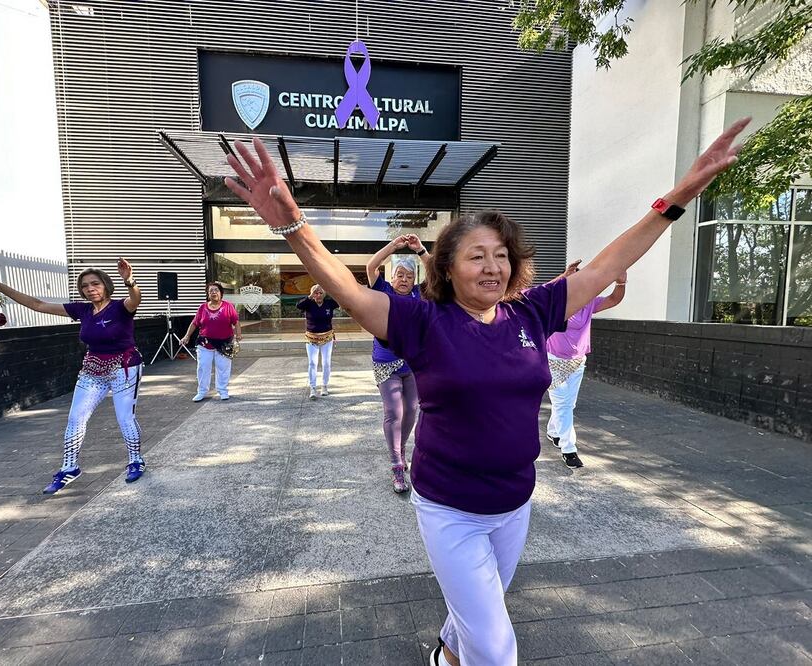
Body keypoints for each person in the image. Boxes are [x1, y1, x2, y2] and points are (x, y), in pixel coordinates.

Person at [222, 118, 748, 665]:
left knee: (478, 611)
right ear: (446, 268)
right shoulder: (423, 322)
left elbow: (607, 264)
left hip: (514, 502)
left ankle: (445, 654)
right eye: (477, 255)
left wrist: (677, 197)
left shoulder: (532, 310)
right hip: (449, 506)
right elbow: (349, 291)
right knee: (496, 649)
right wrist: (294, 226)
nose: (493, 265)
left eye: (501, 254)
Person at [0, 259, 148, 494]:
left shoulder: (120, 308)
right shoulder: (81, 310)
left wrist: (129, 280)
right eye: (85, 286)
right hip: (92, 369)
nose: (90, 289)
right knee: (75, 418)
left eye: (95, 284)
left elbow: (135, 299)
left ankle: (135, 460)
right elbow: (38, 305)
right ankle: (69, 467)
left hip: (125, 368)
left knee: (125, 417)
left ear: (106, 286)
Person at [545, 261, 627, 468]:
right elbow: (538, 295)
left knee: (567, 404)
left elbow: (614, 300)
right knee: (563, 403)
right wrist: (562, 276)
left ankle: (554, 431)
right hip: (553, 361)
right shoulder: (556, 303)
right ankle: (569, 449)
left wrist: (621, 283)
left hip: (577, 361)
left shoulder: (589, 303)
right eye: (572, 282)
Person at [366, 234, 431, 493]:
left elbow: (439, 274)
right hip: (386, 362)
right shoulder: (383, 291)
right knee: (394, 412)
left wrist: (420, 251)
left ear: (413, 280)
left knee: (413, 410)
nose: (403, 280)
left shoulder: (419, 293)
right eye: (399, 275)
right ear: (392, 277)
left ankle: (400, 449)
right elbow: (371, 267)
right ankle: (396, 465)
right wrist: (393, 247)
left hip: (413, 363)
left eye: (408, 276)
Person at [180, 282, 242, 402]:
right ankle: (202, 391)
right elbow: (194, 323)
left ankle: (222, 390)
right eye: (211, 291)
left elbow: (236, 321)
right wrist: (187, 336)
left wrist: (238, 334)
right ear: (208, 294)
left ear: (221, 293)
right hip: (205, 343)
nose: (214, 292)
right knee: (203, 367)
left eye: (216, 290)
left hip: (225, 343)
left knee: (223, 367)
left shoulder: (228, 306)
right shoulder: (202, 307)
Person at [296, 284, 339, 400]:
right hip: (311, 339)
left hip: (327, 338)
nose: (318, 295)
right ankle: (313, 387)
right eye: (316, 293)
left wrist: (328, 289)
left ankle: (324, 385)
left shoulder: (329, 304)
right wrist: (310, 296)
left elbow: (340, 299)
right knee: (312, 363)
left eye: (320, 293)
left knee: (326, 362)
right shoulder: (308, 303)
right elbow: (298, 306)